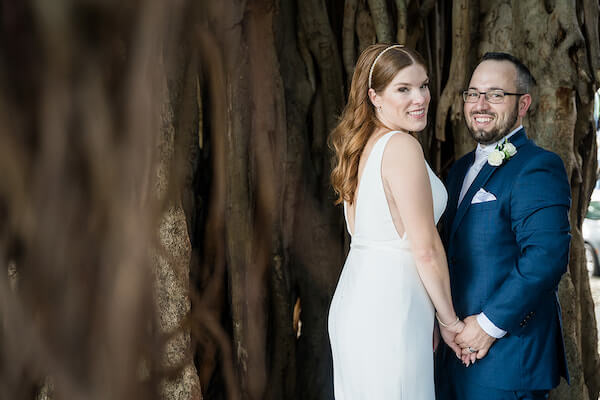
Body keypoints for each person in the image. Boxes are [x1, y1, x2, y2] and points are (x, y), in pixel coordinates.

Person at [328, 43, 464, 400]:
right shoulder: (402, 146)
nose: (420, 98)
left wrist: (426, 314)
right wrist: (449, 321)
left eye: (424, 85)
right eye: (403, 89)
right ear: (374, 96)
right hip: (389, 310)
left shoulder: (362, 147)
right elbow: (426, 249)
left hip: (361, 301)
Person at [435, 52, 571, 400]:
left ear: (523, 104)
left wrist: (486, 326)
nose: (480, 104)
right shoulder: (459, 169)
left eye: (496, 94)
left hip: (508, 359)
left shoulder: (537, 166)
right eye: (473, 93)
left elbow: (545, 257)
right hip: (453, 354)